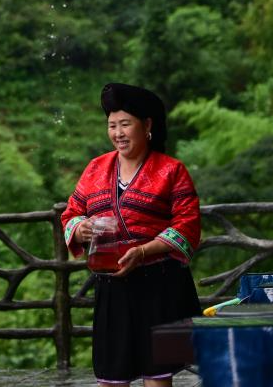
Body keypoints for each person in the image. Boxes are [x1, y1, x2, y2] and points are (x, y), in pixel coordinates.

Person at [62, 83, 201, 387]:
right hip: (112, 289)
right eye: (112, 126)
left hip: (158, 286)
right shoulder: (96, 168)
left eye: (125, 124)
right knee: (111, 377)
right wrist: (80, 227)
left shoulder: (172, 170)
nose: (118, 133)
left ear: (147, 125)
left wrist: (142, 252)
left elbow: (187, 225)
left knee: (157, 377)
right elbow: (71, 213)